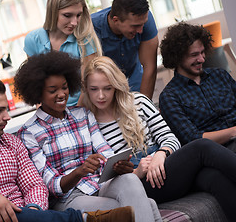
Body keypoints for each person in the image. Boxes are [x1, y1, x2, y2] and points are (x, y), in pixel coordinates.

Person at [0, 73, 135, 222]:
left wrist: (33, 213)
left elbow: (35, 186)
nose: (7, 117)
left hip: (25, 216)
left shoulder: (12, 143)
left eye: (6, 110)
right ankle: (79, 220)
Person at [82, 55, 236, 221]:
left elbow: (170, 138)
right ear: (86, 89)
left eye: (107, 88)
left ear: (116, 85)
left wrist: (161, 154)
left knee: (215, 178)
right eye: (94, 89)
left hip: (166, 167)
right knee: (202, 147)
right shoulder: (87, 123)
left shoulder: (138, 102)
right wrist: (137, 172)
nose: (101, 96)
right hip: (138, 185)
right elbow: (102, 176)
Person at [14, 51, 162, 222]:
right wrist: (79, 172)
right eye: (53, 90)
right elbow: (51, 185)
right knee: (145, 206)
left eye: (64, 87)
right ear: (38, 93)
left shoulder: (83, 114)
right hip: (69, 198)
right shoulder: (29, 132)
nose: (61, 94)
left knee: (129, 179)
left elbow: (105, 151)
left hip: (98, 183)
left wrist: (117, 164)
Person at [158, 22, 236, 165]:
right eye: (194, 55)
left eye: (202, 52)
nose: (201, 59)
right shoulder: (170, 97)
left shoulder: (220, 75)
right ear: (177, 57)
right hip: (221, 149)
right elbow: (193, 139)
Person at [24, 0, 102, 106]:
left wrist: (75, 117)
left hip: (82, 109)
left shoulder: (85, 39)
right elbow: (36, 86)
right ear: (53, 11)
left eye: (78, 15)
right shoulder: (33, 40)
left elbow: (88, 86)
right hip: (51, 113)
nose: (74, 22)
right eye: (67, 15)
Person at [91, 0, 158, 99]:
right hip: (107, 87)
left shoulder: (143, 19)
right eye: (135, 26)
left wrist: (145, 104)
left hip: (135, 81)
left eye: (143, 25)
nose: (141, 30)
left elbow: (149, 66)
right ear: (116, 20)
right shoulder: (91, 29)